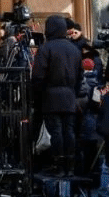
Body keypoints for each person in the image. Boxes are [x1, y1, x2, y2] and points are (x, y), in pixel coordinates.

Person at [31, 15, 83, 176]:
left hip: (50, 96)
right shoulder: (74, 49)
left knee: (56, 132)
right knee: (69, 131)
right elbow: (80, 75)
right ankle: (71, 165)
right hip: (69, 96)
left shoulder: (46, 48)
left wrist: (38, 94)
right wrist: (73, 91)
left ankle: (58, 164)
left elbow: (38, 75)